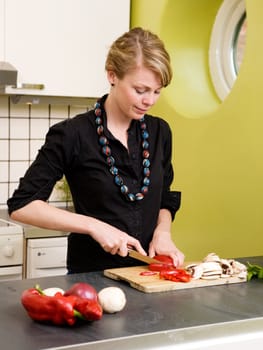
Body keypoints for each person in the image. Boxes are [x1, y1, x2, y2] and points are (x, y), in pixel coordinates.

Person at [7, 27, 184, 273]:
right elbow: (22, 205)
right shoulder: (72, 134)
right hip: (92, 279)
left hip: (148, 275)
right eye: (140, 90)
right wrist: (94, 226)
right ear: (112, 76)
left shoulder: (159, 132)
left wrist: (163, 232)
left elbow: (164, 195)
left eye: (157, 91)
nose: (149, 101)